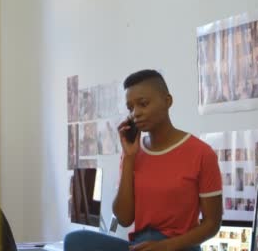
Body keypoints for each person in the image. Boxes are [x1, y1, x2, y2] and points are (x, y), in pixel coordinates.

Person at [64, 69, 222, 251]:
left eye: (143, 104)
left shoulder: (201, 153)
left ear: (167, 101)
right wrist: (130, 158)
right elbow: (123, 218)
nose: (136, 113)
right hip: (141, 245)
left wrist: (166, 246)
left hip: (179, 246)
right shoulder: (132, 153)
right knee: (76, 241)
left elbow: (212, 224)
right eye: (130, 108)